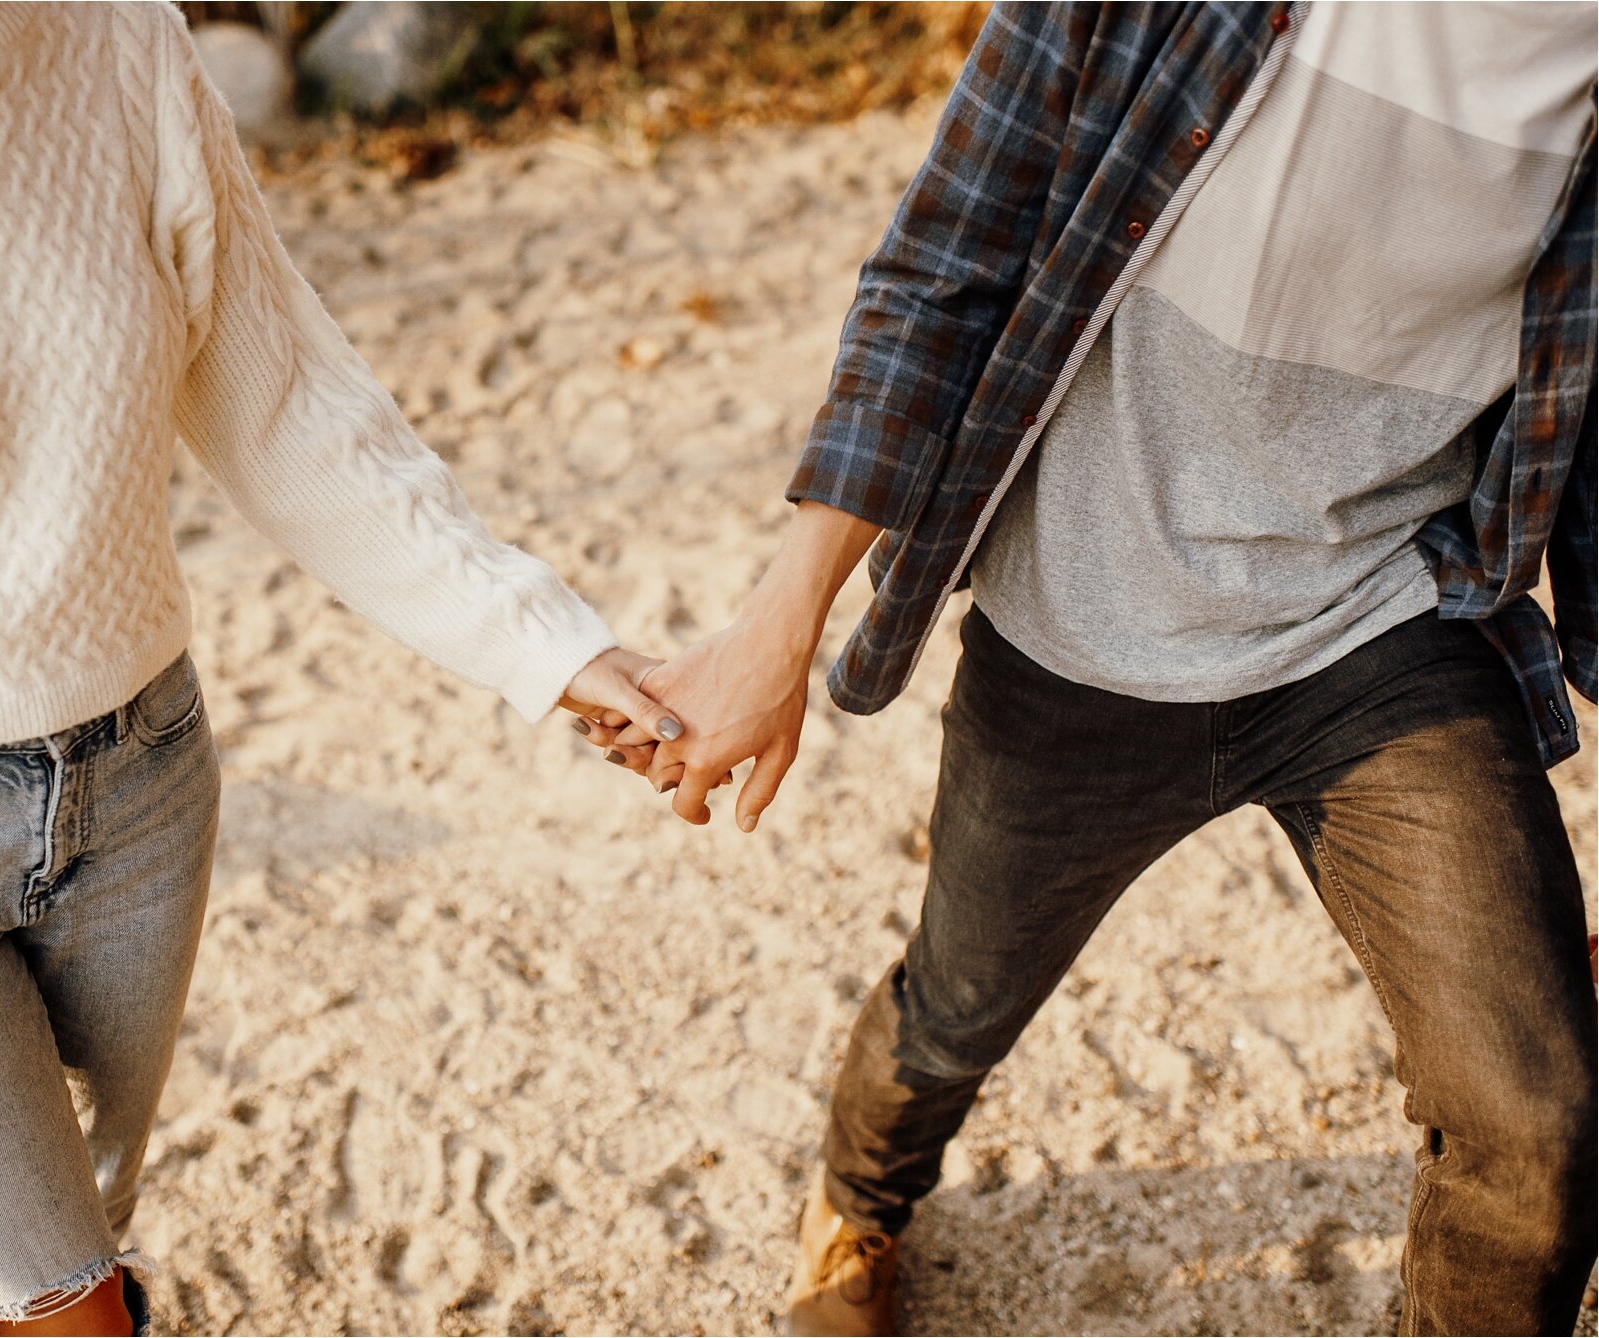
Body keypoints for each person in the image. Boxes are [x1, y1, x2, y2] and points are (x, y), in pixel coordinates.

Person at [0, 3, 686, 1334]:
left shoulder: (113, 43)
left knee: (74, 1244)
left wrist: (543, 640)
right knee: (57, 1307)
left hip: (145, 797)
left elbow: (285, 402)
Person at [581, 2, 1598, 1333]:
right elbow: (940, 272)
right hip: (1078, 623)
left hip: (1377, 622)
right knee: (954, 1004)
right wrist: (781, 626)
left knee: (1536, 1114)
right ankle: (855, 1202)